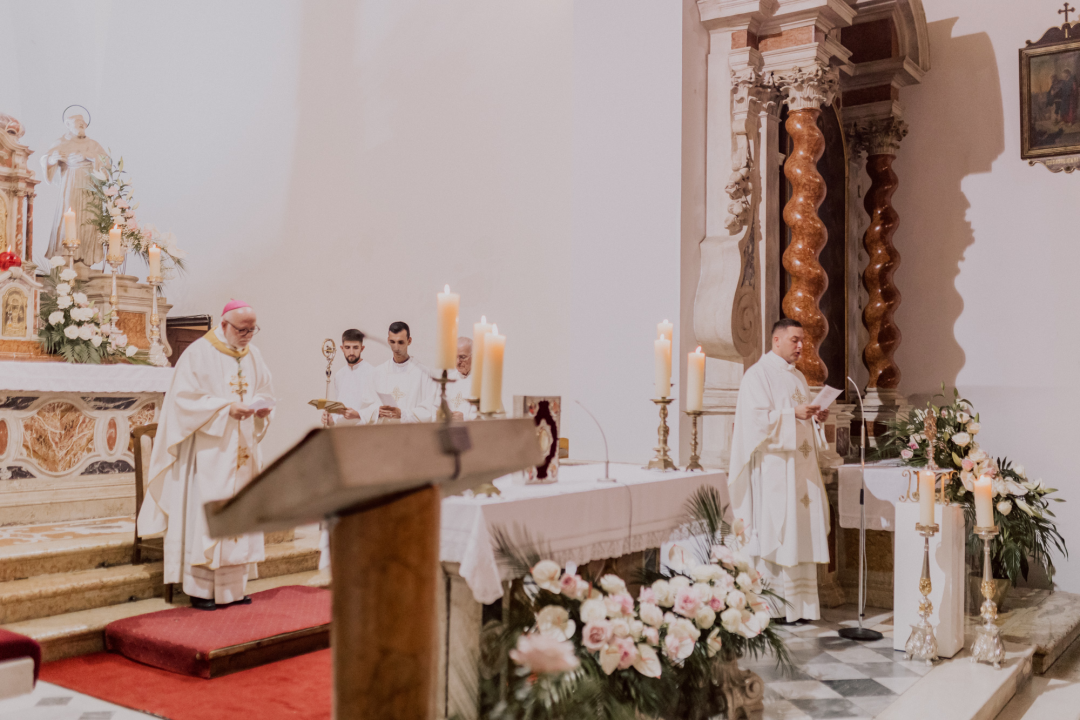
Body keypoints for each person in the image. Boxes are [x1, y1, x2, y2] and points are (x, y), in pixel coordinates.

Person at [137, 300, 274, 610]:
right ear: (224, 325)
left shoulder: (254, 355)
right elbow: (183, 402)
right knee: (207, 513)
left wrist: (263, 408)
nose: (248, 335)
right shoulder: (198, 354)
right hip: (210, 452)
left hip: (242, 449)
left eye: (253, 329)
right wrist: (226, 409)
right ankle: (201, 589)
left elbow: (266, 388)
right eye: (242, 329)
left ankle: (234, 589)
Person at [728, 318, 831, 623]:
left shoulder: (798, 378)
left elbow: (800, 419)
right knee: (779, 530)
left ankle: (800, 606)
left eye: (802, 341)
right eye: (795, 340)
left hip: (801, 469)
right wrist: (792, 414)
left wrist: (815, 417)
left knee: (800, 530)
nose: (801, 347)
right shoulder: (757, 376)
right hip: (775, 469)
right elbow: (755, 423)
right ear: (776, 340)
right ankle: (773, 606)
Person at [41, 113, 108, 267]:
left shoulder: (93, 144)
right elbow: (46, 159)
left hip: (90, 186)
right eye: (78, 124)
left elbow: (106, 161)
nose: (82, 126)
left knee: (89, 219)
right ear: (68, 125)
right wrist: (53, 159)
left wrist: (89, 156)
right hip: (71, 182)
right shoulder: (61, 142)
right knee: (69, 215)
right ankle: (65, 256)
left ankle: (84, 259)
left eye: (83, 124)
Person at [361, 321, 437, 424]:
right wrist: (377, 412)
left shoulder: (423, 373)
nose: (396, 348)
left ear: (409, 341)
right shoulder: (378, 372)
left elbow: (430, 411)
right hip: (384, 434)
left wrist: (402, 414)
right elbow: (365, 408)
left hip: (411, 435)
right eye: (392, 342)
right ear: (388, 340)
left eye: (400, 342)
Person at [323, 328, 375, 426]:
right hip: (342, 432)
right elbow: (339, 408)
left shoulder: (373, 373)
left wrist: (358, 415)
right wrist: (331, 420)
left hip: (364, 432)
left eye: (355, 347)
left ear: (362, 348)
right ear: (342, 348)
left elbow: (378, 409)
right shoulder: (339, 375)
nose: (351, 352)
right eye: (347, 347)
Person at [446, 337, 476, 421]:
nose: (458, 362)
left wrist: (465, 419)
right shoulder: (448, 379)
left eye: (462, 357)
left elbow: (489, 418)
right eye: (455, 357)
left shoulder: (484, 382)